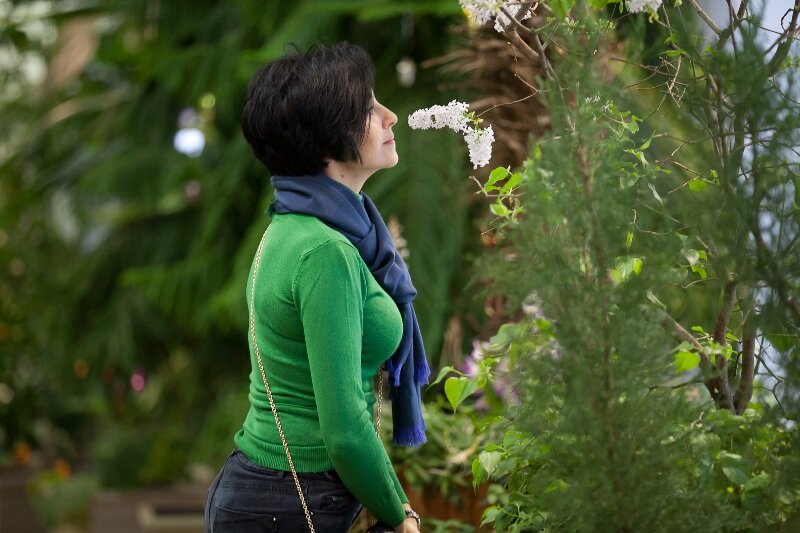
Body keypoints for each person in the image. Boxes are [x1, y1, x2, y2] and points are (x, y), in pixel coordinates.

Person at [204, 42, 427, 533]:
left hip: (268, 491)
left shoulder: (291, 229)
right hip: (291, 501)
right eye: (369, 109)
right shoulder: (326, 253)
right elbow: (345, 429)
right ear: (329, 141)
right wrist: (402, 514)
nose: (390, 117)